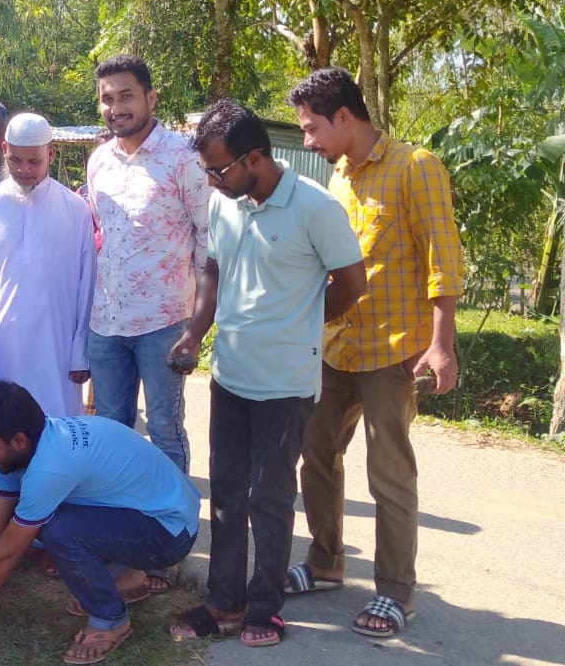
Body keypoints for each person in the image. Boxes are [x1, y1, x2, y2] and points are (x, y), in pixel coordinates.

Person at [166, 99, 366, 647]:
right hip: (230, 374)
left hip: (285, 384)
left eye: (218, 168)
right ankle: (224, 602)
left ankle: (266, 607)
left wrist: (302, 321)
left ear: (254, 157)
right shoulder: (224, 204)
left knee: (269, 498)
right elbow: (212, 269)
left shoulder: (315, 208)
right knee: (228, 495)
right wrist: (194, 331)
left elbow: (352, 283)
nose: (211, 178)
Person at [285, 67, 464, 638]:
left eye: (313, 128)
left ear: (344, 116)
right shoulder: (337, 178)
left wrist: (441, 343)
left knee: (388, 471)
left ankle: (395, 592)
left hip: (394, 351)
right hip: (337, 347)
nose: (308, 140)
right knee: (315, 453)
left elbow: (443, 258)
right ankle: (327, 559)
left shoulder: (416, 167)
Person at [0, 381, 200, 665]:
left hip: (170, 532)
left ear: (18, 440)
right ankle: (127, 577)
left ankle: (110, 621)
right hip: (145, 514)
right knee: (48, 518)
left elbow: (6, 553)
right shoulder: (25, 447)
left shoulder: (51, 467)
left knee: (57, 529)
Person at [85, 53, 210, 473]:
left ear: (150, 98)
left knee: (164, 429)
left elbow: (207, 234)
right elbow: (103, 233)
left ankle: (173, 523)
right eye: (107, 98)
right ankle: (119, 516)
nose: (116, 107)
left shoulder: (183, 157)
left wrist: (200, 321)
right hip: (106, 323)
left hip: (164, 323)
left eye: (126, 96)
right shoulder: (99, 161)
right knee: (109, 430)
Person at [0, 112, 95, 422]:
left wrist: (80, 352)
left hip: (56, 349)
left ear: (50, 154)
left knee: (56, 429)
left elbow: (87, 286)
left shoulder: (75, 209)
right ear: (4, 151)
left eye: (34, 162)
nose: (24, 170)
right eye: (16, 160)